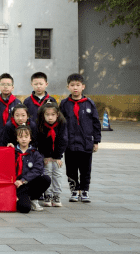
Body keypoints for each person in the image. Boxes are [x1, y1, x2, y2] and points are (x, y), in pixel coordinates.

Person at [60, 73, 100, 203]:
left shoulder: (89, 103)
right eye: (72, 85)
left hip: (86, 143)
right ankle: (74, 191)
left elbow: (95, 123)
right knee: (71, 169)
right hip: (69, 143)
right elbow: (60, 123)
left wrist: (96, 141)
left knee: (85, 169)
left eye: (78, 85)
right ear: (68, 87)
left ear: (83, 86)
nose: (75, 88)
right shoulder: (64, 104)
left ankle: (84, 191)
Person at [37, 102, 68, 207]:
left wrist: (57, 156)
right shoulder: (41, 125)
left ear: (57, 114)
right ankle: (48, 195)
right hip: (46, 155)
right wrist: (45, 156)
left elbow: (62, 141)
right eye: (47, 115)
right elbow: (40, 143)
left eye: (52, 115)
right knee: (47, 172)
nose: (50, 117)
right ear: (43, 115)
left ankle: (56, 195)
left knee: (57, 173)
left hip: (57, 155)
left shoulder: (62, 124)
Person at [14, 126, 51, 213]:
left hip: (29, 183)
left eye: (26, 137)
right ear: (17, 139)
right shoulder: (12, 152)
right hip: (17, 185)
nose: (23, 139)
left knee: (46, 179)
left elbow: (38, 170)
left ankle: (34, 199)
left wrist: (24, 180)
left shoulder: (35, 153)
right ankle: (19, 199)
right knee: (25, 209)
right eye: (21, 137)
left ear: (30, 138)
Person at [0, 73, 22, 141]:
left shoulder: (17, 103)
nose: (5, 87)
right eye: (3, 84)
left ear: (12, 87)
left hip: (14, 137)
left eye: (8, 84)